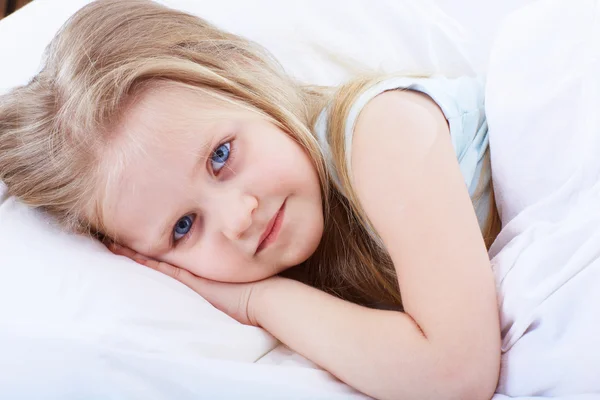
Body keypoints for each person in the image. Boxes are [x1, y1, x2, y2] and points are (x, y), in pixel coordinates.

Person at [0, 0, 501, 398]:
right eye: (183, 227)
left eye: (221, 156)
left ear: (242, 73)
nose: (238, 218)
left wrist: (258, 301)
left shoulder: (383, 134)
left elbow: (455, 375)